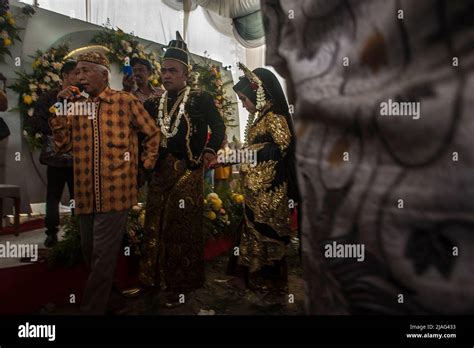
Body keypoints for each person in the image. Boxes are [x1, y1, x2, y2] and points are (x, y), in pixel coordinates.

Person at [49, 50, 160, 314]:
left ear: (103, 74)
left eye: (86, 70)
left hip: (117, 192)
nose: (80, 77)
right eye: (77, 72)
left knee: (101, 256)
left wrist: (143, 168)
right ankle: (113, 299)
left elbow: (153, 134)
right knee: (90, 251)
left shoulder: (125, 101)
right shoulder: (76, 106)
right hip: (86, 192)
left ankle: (92, 309)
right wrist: (62, 108)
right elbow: (61, 145)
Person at [125, 32, 225, 304]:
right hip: (159, 171)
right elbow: (140, 131)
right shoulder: (153, 102)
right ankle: (150, 280)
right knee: (153, 225)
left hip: (188, 171)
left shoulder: (201, 98)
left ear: (185, 73)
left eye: (172, 70)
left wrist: (209, 150)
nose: (166, 75)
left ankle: (181, 284)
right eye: (163, 70)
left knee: (180, 229)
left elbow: (218, 127)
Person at [228, 63, 299, 305]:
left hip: (272, 192)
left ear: (259, 93)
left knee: (269, 237)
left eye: (244, 99)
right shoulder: (261, 118)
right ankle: (257, 285)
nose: (244, 105)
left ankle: (274, 290)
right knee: (254, 236)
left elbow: (283, 147)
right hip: (257, 193)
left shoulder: (275, 116)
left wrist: (248, 152)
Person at [27, 60, 77, 247]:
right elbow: (35, 122)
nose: (80, 77)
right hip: (55, 156)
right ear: (65, 76)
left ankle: (77, 231)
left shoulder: (82, 98)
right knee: (53, 196)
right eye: (76, 73)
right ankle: (51, 232)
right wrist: (56, 130)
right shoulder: (49, 97)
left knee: (77, 197)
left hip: (77, 157)